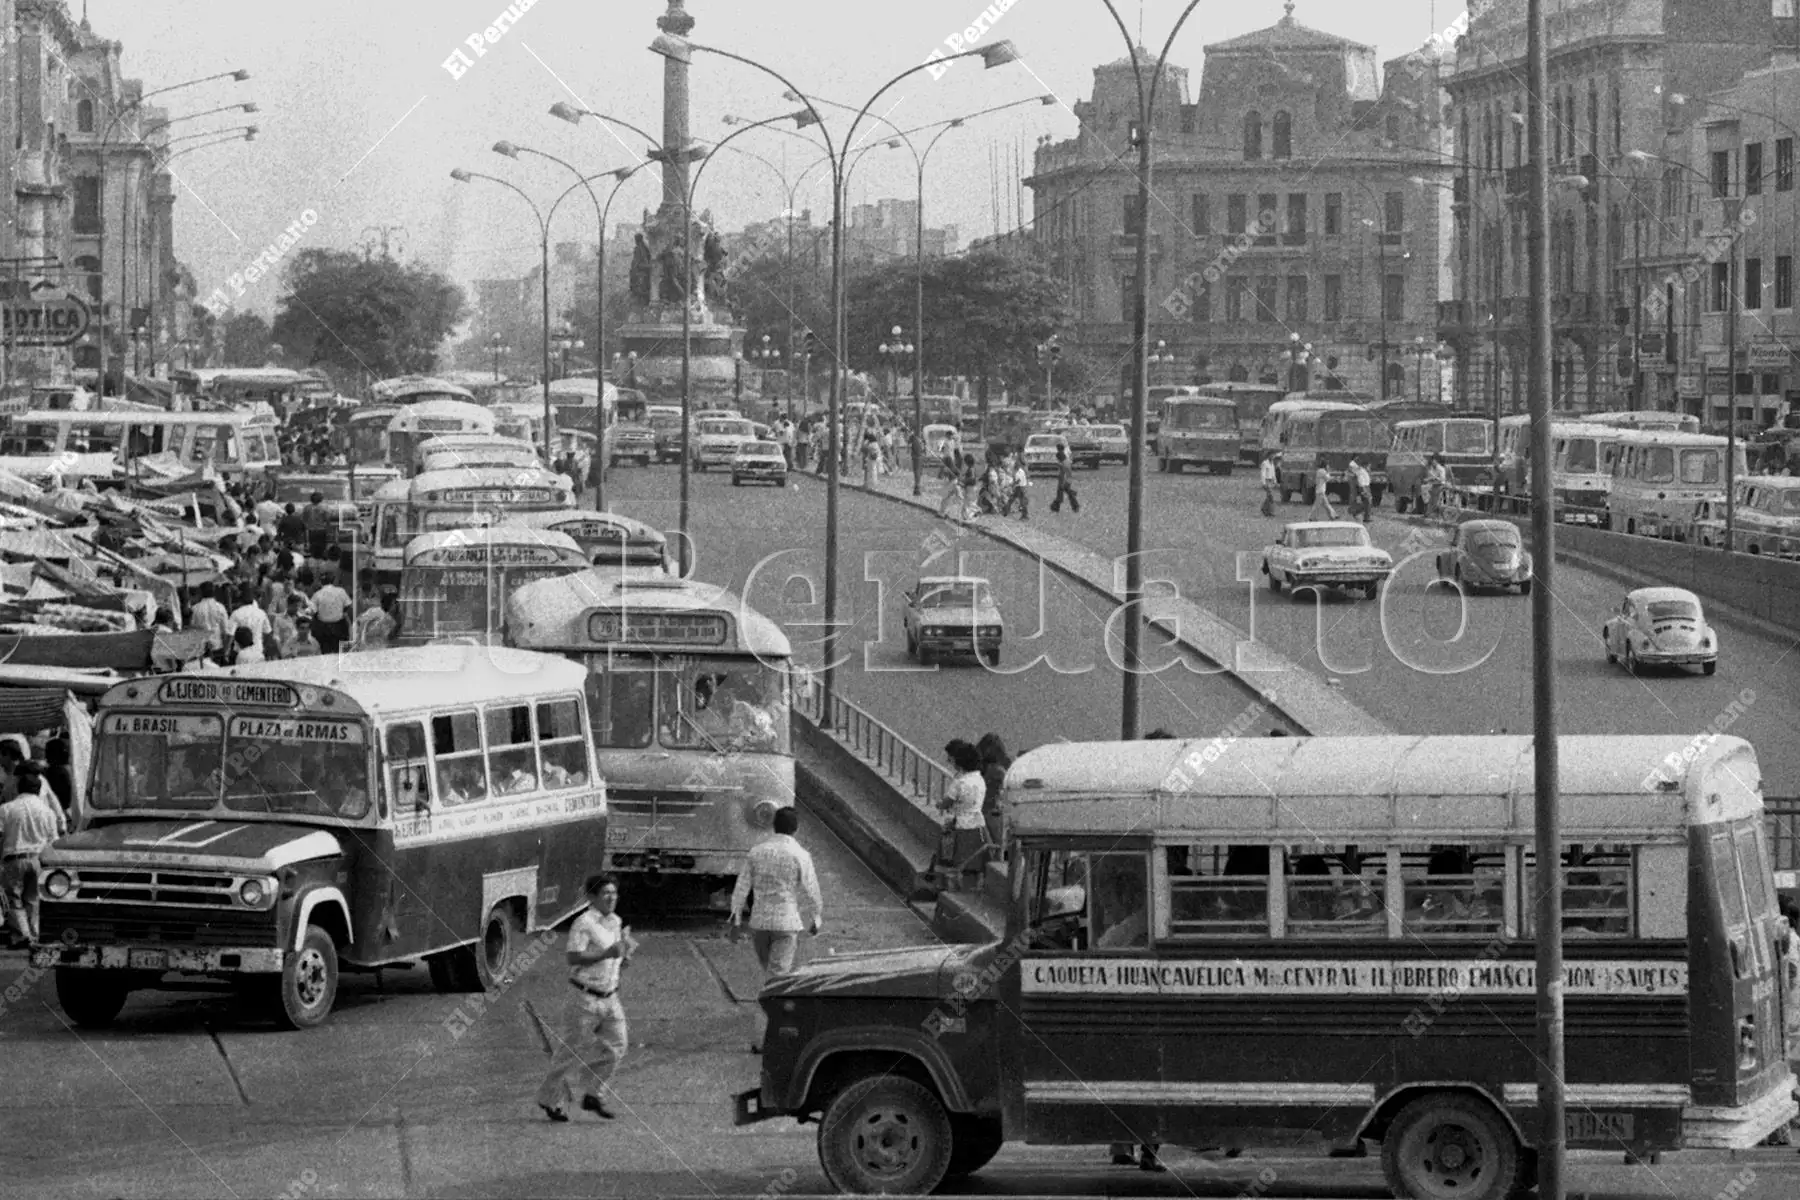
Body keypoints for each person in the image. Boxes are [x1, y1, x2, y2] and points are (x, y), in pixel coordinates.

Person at [536, 873, 638, 1122]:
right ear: (592, 897)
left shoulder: (616, 922)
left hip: (610, 997)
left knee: (617, 1046)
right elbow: (573, 957)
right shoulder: (583, 923)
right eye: (605, 893)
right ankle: (549, 1098)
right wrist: (607, 954)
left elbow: (616, 955)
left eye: (614, 893)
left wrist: (624, 957)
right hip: (583, 998)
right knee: (570, 1052)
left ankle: (593, 1093)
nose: (611, 898)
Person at [729, 807, 823, 1053]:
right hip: (786, 924)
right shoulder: (800, 854)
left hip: (760, 924)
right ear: (796, 828)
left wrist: (736, 920)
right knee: (775, 982)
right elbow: (812, 890)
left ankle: (769, 1033)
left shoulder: (757, 852)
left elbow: (741, 887)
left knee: (771, 977)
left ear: (773, 826)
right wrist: (816, 917)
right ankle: (764, 1038)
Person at [2, 763, 66, 948]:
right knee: (33, 899)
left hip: (14, 859)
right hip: (38, 860)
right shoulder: (48, 812)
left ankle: (22, 935)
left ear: (18, 788)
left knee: (14, 898)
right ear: (39, 790)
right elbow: (54, 840)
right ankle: (34, 934)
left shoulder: (6, 809)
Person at [939, 740, 989, 892]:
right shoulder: (980, 780)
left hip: (961, 826)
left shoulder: (960, 783)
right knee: (974, 863)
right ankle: (972, 889)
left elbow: (946, 802)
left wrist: (940, 804)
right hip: (978, 825)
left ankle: (958, 891)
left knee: (958, 862)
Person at [976, 733, 1011, 857]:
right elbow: (1009, 785)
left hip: (978, 812)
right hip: (992, 813)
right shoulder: (997, 771)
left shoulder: (977, 768)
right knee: (998, 849)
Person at [309, 571, 352, 654]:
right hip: (339, 627)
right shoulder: (341, 591)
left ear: (321, 582)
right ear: (333, 580)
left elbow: (312, 610)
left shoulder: (317, 594)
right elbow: (348, 605)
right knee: (339, 653)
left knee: (325, 653)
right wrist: (341, 611)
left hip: (323, 629)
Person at [189, 580, 230, 660]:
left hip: (202, 649)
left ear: (201, 592)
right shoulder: (220, 607)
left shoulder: (195, 609)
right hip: (217, 648)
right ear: (214, 592)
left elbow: (193, 630)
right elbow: (225, 631)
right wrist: (225, 652)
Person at [1050, 444, 1080, 514]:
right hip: (1067, 479)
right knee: (1067, 493)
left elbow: (1064, 473)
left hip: (1065, 480)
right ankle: (1074, 505)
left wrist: (1063, 483)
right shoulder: (1066, 460)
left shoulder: (1063, 462)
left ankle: (1055, 507)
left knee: (1062, 493)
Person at [303, 491, 332, 562]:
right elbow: (327, 520)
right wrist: (328, 531)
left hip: (312, 531)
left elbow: (304, 520)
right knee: (322, 548)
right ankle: (322, 562)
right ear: (321, 499)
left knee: (313, 548)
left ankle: (313, 562)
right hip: (321, 530)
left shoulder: (307, 508)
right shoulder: (325, 508)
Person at [938, 450, 967, 520]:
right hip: (951, 484)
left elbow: (959, 475)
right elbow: (940, 476)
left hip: (953, 483)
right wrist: (942, 470)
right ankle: (944, 513)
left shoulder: (952, 468)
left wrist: (955, 477)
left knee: (948, 499)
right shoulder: (945, 468)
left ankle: (944, 513)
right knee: (950, 499)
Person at [1003, 454, 1030, 520]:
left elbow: (1017, 481)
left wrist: (1011, 485)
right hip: (1020, 487)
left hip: (1020, 488)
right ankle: (1006, 511)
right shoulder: (1018, 471)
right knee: (1013, 500)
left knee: (1020, 502)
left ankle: (1025, 515)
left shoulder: (1019, 472)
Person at [1348, 456, 1373, 524]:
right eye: (1369, 467)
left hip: (1366, 487)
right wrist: (1364, 490)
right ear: (1365, 466)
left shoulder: (1363, 471)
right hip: (1364, 487)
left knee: (1367, 502)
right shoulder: (1361, 471)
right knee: (1368, 502)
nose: (1369, 468)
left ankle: (1365, 516)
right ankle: (1355, 510)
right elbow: (1361, 481)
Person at [1260, 451, 1280, 517]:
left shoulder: (1272, 464)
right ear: (1268, 455)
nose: (1273, 457)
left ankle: (1264, 508)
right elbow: (1263, 473)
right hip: (1267, 481)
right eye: (1271, 455)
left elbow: (1273, 474)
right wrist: (1263, 483)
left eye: (1273, 455)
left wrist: (1275, 481)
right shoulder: (1264, 463)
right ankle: (1271, 512)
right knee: (1271, 497)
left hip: (1271, 481)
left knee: (1269, 496)